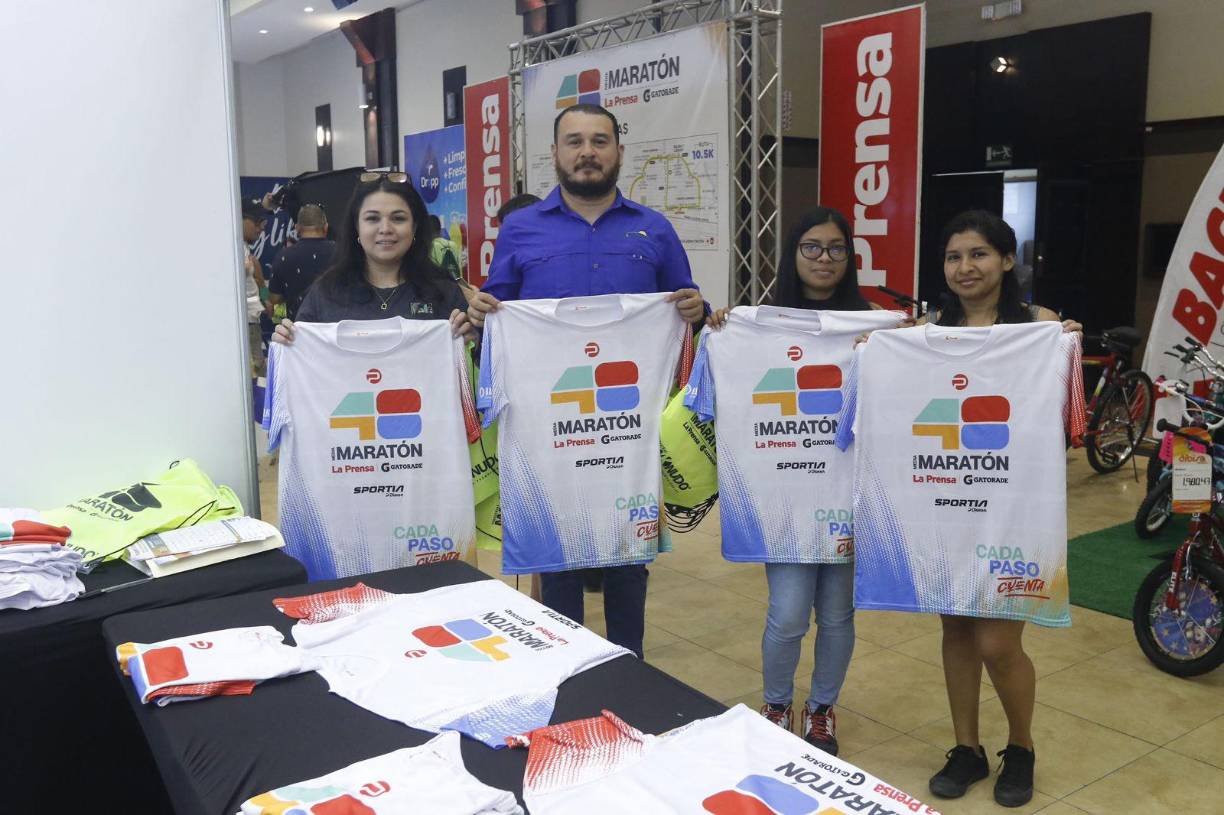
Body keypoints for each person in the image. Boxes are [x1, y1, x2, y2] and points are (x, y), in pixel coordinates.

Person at [467, 103, 707, 658]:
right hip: (551, 427)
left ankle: (630, 670)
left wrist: (697, 307)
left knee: (628, 560)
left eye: (600, 141)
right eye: (574, 141)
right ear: (555, 153)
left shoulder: (655, 228)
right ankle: (566, 670)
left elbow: (687, 307)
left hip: (626, 428)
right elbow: (498, 310)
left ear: (619, 151)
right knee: (559, 564)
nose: (587, 152)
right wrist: (483, 311)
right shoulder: (521, 229)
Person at [917, 209, 1079, 808]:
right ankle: (966, 749)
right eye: (954, 256)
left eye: (979, 254)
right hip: (945, 502)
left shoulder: (1038, 327)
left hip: (1013, 509)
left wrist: (1065, 344)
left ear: (1007, 261)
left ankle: (1022, 746)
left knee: (998, 644)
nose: (965, 267)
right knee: (956, 630)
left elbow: (1060, 417)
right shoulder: (930, 332)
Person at [705, 207, 878, 756]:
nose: (824, 258)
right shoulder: (760, 322)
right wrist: (726, 331)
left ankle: (822, 709)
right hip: (783, 499)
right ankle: (777, 702)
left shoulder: (874, 323)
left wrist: (907, 340)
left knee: (837, 615)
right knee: (787, 612)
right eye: (811, 247)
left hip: (848, 495)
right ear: (792, 254)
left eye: (835, 249)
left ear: (849, 258)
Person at [267, 203, 335, 322]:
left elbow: (275, 300)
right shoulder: (342, 254)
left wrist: (280, 323)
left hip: (298, 332)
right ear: (326, 227)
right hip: (334, 331)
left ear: (297, 228)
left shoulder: (283, 257)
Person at [241, 200, 270, 377]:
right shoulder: (236, 251)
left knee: (259, 373)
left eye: (263, 224)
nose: (260, 229)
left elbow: (262, 286)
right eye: (256, 222)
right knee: (257, 374)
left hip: (255, 319)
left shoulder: (251, 257)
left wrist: (266, 300)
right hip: (247, 323)